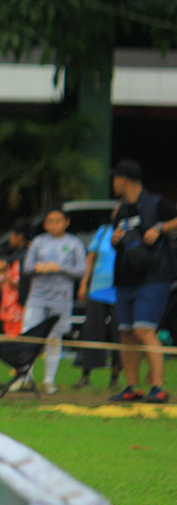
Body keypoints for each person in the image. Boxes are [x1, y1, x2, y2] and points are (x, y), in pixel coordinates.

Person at [108, 159, 176, 403]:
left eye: (115, 178)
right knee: (126, 333)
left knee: (144, 330)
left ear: (124, 179)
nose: (113, 183)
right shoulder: (121, 210)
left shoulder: (157, 204)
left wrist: (160, 228)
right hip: (125, 279)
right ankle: (132, 387)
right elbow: (119, 244)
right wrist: (115, 239)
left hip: (153, 278)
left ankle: (158, 387)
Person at [19, 206, 87, 395]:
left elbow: (80, 270)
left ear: (66, 222)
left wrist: (59, 268)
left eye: (58, 221)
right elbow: (26, 268)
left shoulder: (74, 243)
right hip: (37, 296)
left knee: (54, 337)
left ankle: (49, 380)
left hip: (61, 298)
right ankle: (25, 377)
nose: (54, 225)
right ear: (45, 223)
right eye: (50, 221)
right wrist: (38, 268)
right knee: (29, 334)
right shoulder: (39, 242)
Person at [75, 212, 122, 389]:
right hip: (97, 291)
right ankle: (85, 376)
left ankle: (115, 378)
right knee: (92, 331)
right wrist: (84, 283)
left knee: (118, 334)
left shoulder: (130, 232)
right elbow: (91, 257)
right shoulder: (103, 231)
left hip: (120, 293)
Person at [0, 218, 32, 338]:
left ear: (19, 236)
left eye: (12, 235)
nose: (10, 238)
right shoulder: (25, 254)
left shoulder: (20, 258)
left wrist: (4, 272)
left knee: (15, 338)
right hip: (13, 305)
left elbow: (16, 283)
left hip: (16, 305)